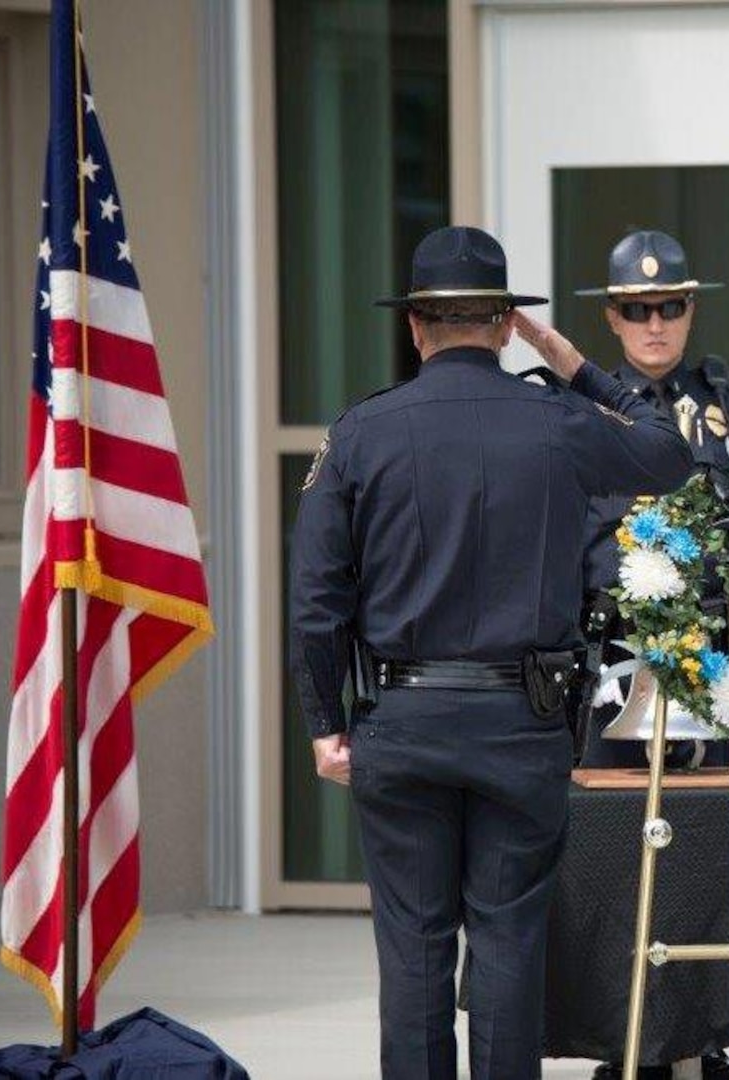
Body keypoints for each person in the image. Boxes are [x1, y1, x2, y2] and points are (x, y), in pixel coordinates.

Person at [289, 225, 694, 1080]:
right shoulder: (557, 420)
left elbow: (317, 596)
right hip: (521, 722)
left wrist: (326, 723)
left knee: (413, 955)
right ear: (509, 324)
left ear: (414, 328)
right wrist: (577, 364)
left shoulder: (361, 432)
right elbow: (669, 454)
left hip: (401, 721)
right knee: (508, 948)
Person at [572, 229, 729, 1078]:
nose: (654, 324)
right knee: (617, 857)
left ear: (691, 308)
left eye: (669, 305)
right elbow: (567, 541)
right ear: (612, 317)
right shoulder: (584, 412)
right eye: (637, 309)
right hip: (614, 667)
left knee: (707, 856)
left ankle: (701, 1036)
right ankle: (626, 1041)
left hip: (714, 668)